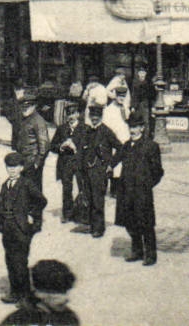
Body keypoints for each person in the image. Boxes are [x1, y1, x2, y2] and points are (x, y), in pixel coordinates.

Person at [0, 151, 46, 305]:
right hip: (7, 228)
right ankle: (14, 292)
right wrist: (0, 223)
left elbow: (41, 200)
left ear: (21, 168)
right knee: (10, 260)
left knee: (20, 262)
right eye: (9, 167)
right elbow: (1, 205)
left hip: (22, 228)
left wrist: (31, 215)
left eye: (15, 167)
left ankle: (25, 295)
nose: (12, 170)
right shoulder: (5, 185)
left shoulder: (27, 183)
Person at [115, 109, 163, 265]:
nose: (132, 130)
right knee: (130, 222)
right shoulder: (126, 146)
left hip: (142, 193)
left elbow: (158, 171)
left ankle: (150, 254)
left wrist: (146, 184)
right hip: (126, 192)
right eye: (130, 126)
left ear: (142, 128)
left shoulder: (151, 146)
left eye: (135, 127)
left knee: (146, 224)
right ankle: (137, 251)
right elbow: (115, 161)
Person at [77, 102, 119, 237]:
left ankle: (99, 228)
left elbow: (121, 148)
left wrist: (110, 164)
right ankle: (91, 224)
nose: (94, 118)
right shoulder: (87, 131)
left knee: (98, 200)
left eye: (97, 116)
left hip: (99, 171)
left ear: (101, 116)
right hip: (86, 170)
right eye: (92, 116)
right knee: (88, 198)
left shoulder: (106, 131)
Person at [0, 259, 80, 326]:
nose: (65, 300)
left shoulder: (68, 318)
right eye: (56, 297)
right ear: (39, 295)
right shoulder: (20, 320)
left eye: (65, 294)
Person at [50, 106, 85, 224]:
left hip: (80, 162)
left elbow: (89, 147)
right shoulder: (61, 129)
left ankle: (83, 214)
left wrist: (76, 148)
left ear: (78, 114)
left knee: (83, 187)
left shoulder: (84, 128)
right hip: (65, 162)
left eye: (73, 113)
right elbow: (52, 146)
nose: (71, 116)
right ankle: (67, 214)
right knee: (67, 189)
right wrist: (61, 146)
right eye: (68, 114)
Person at [13, 89, 51, 175]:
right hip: (23, 159)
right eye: (22, 107)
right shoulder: (24, 119)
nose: (24, 109)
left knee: (33, 186)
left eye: (27, 107)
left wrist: (37, 163)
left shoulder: (38, 121)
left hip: (32, 161)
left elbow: (44, 144)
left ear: (34, 106)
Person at [131, 67, 157, 139]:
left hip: (145, 104)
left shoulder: (148, 83)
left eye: (143, 73)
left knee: (146, 122)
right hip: (137, 105)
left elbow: (152, 95)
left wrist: (152, 106)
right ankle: (138, 137)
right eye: (140, 73)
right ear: (138, 74)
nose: (142, 74)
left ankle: (146, 138)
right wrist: (133, 106)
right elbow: (133, 94)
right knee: (137, 121)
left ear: (145, 74)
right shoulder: (135, 82)